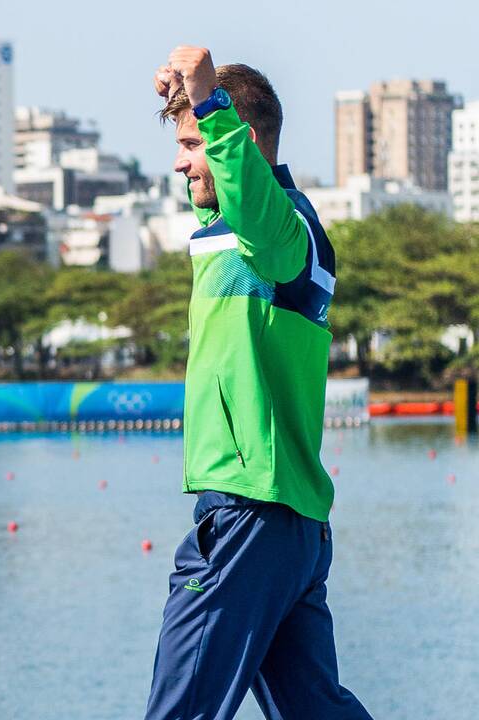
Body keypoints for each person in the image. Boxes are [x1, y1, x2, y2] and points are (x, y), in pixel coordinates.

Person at [143, 47, 372, 719]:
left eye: (191, 144)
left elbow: (257, 215)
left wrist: (209, 102)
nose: (181, 161)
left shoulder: (280, 228)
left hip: (248, 511)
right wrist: (196, 103)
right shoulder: (234, 235)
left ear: (236, 139)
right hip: (288, 521)